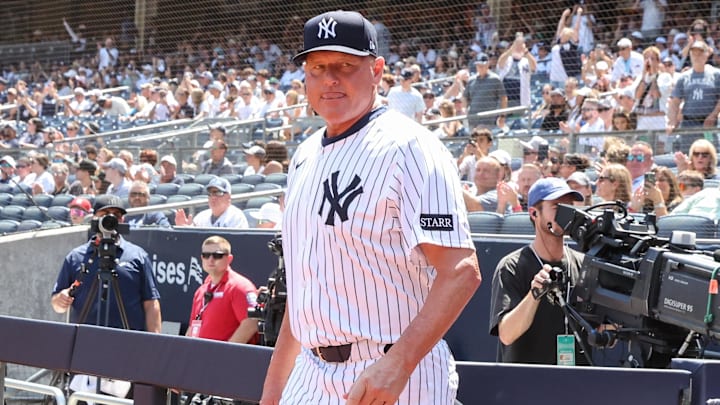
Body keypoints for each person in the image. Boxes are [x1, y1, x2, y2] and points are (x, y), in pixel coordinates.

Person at [261, 10, 481, 405]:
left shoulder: (410, 147)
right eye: (317, 67)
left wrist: (399, 363)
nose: (330, 78)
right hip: (310, 374)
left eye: (346, 65)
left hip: (390, 370)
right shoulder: (305, 155)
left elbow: (460, 271)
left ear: (377, 70)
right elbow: (303, 290)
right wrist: (273, 391)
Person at [489, 177, 586, 364]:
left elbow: (603, 334)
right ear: (534, 213)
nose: (567, 214)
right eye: (558, 207)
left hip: (576, 383)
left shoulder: (583, 264)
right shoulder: (512, 266)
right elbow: (507, 334)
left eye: (570, 206)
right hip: (527, 383)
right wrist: (534, 295)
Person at [50, 195, 162, 332]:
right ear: (94, 218)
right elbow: (57, 304)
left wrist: (154, 344)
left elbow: (151, 303)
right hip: (85, 340)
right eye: (105, 214)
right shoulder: (76, 257)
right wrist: (60, 300)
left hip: (128, 343)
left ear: (122, 220)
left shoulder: (138, 257)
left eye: (116, 215)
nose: (111, 219)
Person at [187, 235, 259, 342]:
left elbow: (251, 323)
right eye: (206, 255)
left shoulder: (239, 287)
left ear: (229, 259)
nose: (210, 259)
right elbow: (192, 326)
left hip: (226, 357)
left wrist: (226, 353)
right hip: (198, 354)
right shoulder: (201, 291)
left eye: (217, 255)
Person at [174, 177, 249, 228]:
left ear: (228, 197)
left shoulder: (236, 217)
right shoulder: (201, 217)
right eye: (211, 193)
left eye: (218, 193)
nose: (213, 197)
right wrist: (185, 230)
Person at [463, 53, 507, 129]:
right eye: (478, 65)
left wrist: (502, 116)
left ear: (487, 64)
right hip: (473, 120)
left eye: (482, 65)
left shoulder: (495, 79)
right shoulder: (471, 80)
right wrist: (465, 109)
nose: (480, 67)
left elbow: (503, 98)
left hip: (489, 120)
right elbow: (465, 97)